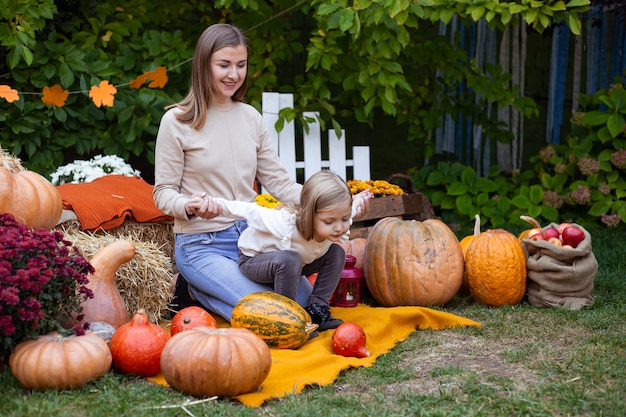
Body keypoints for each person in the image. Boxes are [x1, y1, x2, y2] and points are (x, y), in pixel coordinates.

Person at [153, 23, 370, 322]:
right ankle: (197, 290)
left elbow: (279, 183)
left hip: (253, 244)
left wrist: (325, 202)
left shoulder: (250, 118)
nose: (234, 74)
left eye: (241, 65)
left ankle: (207, 293)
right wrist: (187, 205)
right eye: (224, 65)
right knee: (275, 317)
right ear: (204, 65)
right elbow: (163, 193)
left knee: (304, 311)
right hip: (202, 246)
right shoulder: (176, 122)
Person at [208, 170, 373, 331]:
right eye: (329, 221)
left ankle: (317, 310)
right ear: (309, 214)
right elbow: (249, 210)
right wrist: (216, 204)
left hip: (292, 264)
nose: (339, 227)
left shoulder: (336, 220)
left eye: (344, 219)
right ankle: (287, 321)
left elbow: (351, 211)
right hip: (255, 261)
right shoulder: (284, 224)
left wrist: (357, 200)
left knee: (337, 253)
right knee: (290, 260)